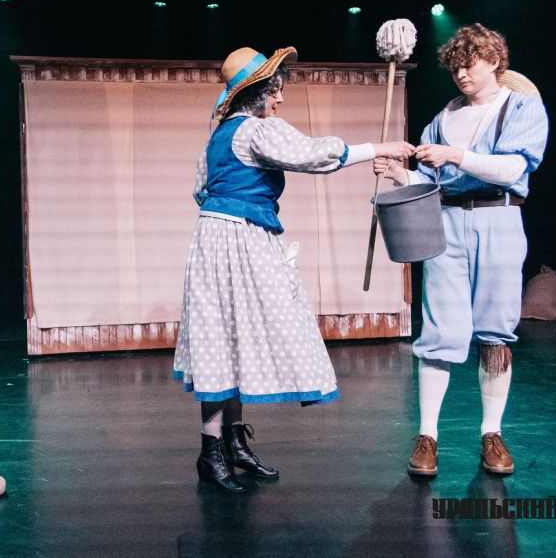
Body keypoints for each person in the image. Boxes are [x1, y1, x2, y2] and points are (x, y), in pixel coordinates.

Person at [173, 46, 415, 492]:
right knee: (225, 338)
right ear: (258, 93)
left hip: (215, 237)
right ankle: (211, 453)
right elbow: (312, 154)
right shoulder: (255, 130)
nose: (280, 99)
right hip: (238, 238)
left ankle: (232, 444)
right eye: (276, 91)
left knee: (232, 337)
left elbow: (200, 190)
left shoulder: (218, 135)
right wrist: (378, 148)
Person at [374, 24, 549, 477]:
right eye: (455, 68)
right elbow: (433, 182)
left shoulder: (522, 108)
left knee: (495, 330)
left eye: (468, 65)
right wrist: (400, 174)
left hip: (499, 218)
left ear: (494, 61)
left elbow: (512, 168)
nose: (461, 75)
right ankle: (427, 436)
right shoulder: (445, 116)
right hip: (447, 222)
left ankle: (492, 434)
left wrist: (455, 155)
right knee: (439, 329)